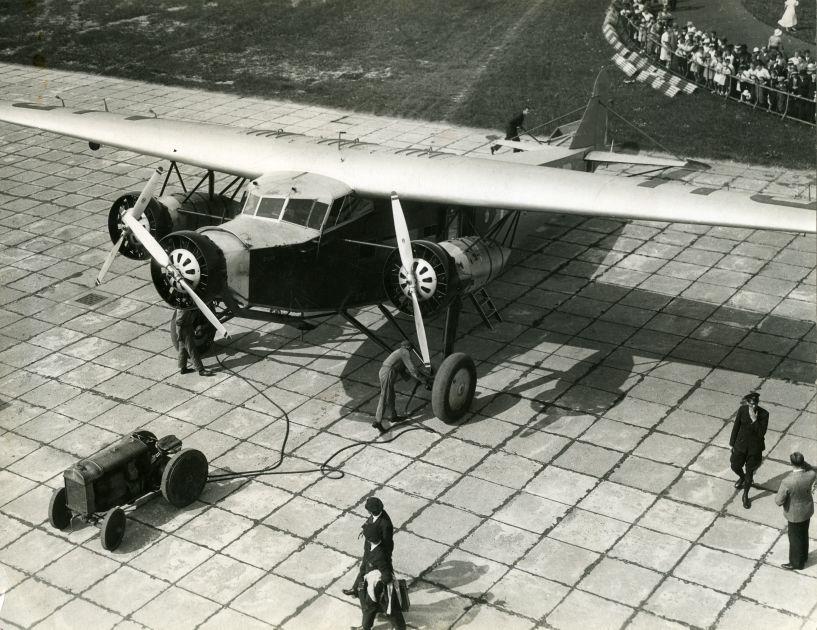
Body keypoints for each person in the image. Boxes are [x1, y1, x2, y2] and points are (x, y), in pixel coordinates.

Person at [350, 522, 406, 630]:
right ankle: (366, 627)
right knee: (372, 607)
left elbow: (387, 576)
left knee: (388, 608)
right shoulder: (376, 546)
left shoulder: (379, 554)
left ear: (369, 539)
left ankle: (400, 627)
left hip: (378, 586)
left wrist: (379, 586)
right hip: (373, 584)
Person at [344, 496, 394, 596]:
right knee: (363, 569)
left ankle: (389, 591)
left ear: (371, 511)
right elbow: (369, 523)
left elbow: (387, 543)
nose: (367, 512)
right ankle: (356, 589)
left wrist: (383, 556)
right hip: (369, 549)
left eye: (368, 510)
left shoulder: (385, 524)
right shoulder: (375, 515)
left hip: (378, 552)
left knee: (385, 571)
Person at [775, 452, 815, 570]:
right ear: (803, 462)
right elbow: (812, 469)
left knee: (795, 539)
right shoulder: (811, 475)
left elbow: (778, 501)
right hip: (807, 510)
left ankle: (797, 563)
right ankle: (804, 557)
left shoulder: (787, 481)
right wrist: (804, 464)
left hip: (794, 514)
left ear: (791, 463)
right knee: (803, 534)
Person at [729, 391, 769, 509]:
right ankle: (743, 477)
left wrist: (755, 420)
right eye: (751, 404)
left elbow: (761, 433)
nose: (754, 406)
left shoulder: (764, 414)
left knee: (750, 471)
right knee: (734, 465)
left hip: (754, 449)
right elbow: (736, 426)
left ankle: (745, 495)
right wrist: (731, 443)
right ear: (747, 403)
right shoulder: (742, 410)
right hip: (740, 445)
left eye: (756, 403)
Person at [373, 340, 422, 432]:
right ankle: (377, 421)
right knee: (384, 397)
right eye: (411, 348)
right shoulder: (404, 352)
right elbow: (412, 369)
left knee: (391, 396)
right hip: (387, 373)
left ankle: (393, 416)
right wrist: (422, 379)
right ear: (408, 347)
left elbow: (402, 371)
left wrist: (415, 381)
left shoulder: (399, 352)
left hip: (385, 372)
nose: (411, 350)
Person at [175, 308, 213, 377]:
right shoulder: (183, 307)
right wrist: (179, 334)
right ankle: (200, 370)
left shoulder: (181, 306)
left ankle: (183, 368)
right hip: (185, 331)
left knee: (183, 350)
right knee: (192, 350)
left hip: (186, 328)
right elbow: (179, 322)